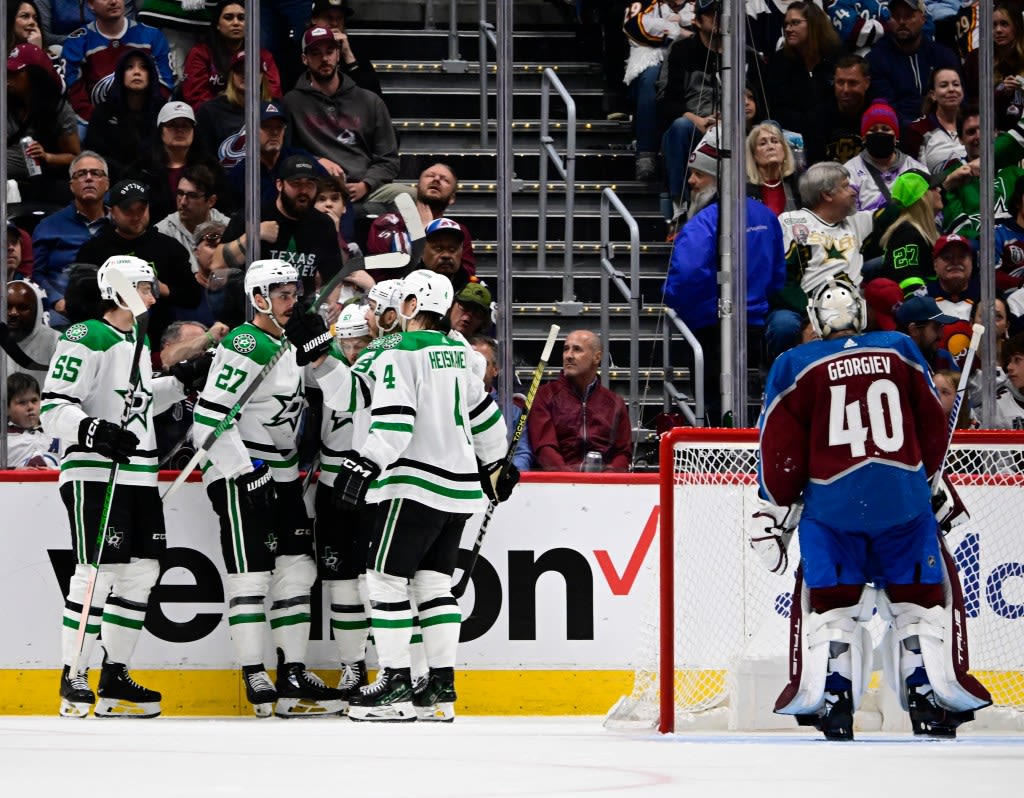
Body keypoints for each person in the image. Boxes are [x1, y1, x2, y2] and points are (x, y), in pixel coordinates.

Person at [759, 277, 991, 740]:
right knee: (917, 606)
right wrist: (927, 481)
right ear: (861, 313)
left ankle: (836, 701)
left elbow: (779, 451)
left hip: (832, 507)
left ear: (817, 319)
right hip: (902, 503)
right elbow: (931, 423)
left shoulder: (794, 363)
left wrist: (775, 506)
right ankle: (927, 699)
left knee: (834, 609)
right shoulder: (900, 348)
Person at [298, 268, 513, 721]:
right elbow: (483, 413)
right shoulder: (459, 351)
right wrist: (496, 465)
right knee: (435, 586)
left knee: (384, 580)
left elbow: (395, 418)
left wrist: (367, 462)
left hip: (411, 483)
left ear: (412, 306)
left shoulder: (401, 350)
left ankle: (394, 682)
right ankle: (439, 686)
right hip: (457, 490)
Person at [40, 255, 192, 718]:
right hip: (97, 471)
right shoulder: (87, 336)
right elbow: (53, 406)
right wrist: (94, 432)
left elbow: (139, 402)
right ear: (121, 288)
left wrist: (181, 382)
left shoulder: (134, 340)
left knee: (143, 572)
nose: (153, 293)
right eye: (146, 285)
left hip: (138, 473)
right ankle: (74, 675)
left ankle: (114, 675)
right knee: (96, 572)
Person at [193, 258, 344, 717]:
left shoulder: (289, 344)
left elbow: (342, 395)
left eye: (294, 293)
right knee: (252, 576)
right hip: (243, 474)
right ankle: (254, 672)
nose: (292, 301)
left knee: (298, 572)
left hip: (283, 475)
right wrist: (244, 469)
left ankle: (293, 670)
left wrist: (320, 347)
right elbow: (208, 419)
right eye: (282, 294)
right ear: (258, 299)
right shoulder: (245, 341)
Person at [666, 132, 786, 425]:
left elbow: (685, 276)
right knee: (750, 403)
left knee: (713, 408)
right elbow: (776, 278)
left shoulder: (704, 222)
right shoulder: (765, 216)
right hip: (754, 326)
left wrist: (682, 306)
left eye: (698, 175)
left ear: (718, 178)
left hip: (710, 327)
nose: (691, 182)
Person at [767, 162, 879, 361]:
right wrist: (814, 316)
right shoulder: (792, 221)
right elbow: (782, 280)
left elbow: (894, 215)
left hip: (850, 306)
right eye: (845, 186)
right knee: (783, 325)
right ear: (827, 194)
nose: (853, 191)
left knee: (878, 310)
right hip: (802, 308)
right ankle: (778, 382)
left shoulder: (855, 221)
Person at [77, 179, 201, 349]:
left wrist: (160, 288)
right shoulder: (94, 250)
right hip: (107, 334)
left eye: (141, 210)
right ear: (111, 211)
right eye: (128, 211)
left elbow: (193, 297)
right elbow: (78, 301)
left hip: (160, 335)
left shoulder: (169, 247)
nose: (136, 217)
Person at [283, 25, 401, 205]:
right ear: (304, 59)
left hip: (365, 187)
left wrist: (366, 185)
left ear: (338, 54)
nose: (324, 58)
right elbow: (285, 152)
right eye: (315, 53)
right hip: (316, 189)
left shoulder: (369, 100)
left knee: (408, 197)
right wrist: (315, 161)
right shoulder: (292, 102)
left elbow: (388, 159)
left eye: (329, 51)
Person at [214, 153, 343, 297]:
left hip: (301, 311)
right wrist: (254, 234)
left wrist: (328, 305)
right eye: (296, 183)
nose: (304, 191)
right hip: (256, 310)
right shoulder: (254, 216)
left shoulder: (323, 225)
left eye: (310, 184)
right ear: (279, 185)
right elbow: (217, 265)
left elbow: (333, 278)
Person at [528, 329, 632, 471]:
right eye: (566, 349)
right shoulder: (544, 395)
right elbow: (545, 448)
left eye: (577, 350)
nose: (569, 356)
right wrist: (573, 482)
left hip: (604, 486)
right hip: (557, 484)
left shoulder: (615, 403)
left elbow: (623, 453)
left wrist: (606, 480)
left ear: (597, 357)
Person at [61, 0, 174, 127]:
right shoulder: (77, 41)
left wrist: (144, 120)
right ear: (90, 4)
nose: (113, 1)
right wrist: (98, 122)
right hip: (95, 122)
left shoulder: (152, 36)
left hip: (147, 121)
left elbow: (165, 86)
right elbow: (74, 92)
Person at [31, 151, 111, 328]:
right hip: (64, 309)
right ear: (71, 185)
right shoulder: (48, 226)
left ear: (107, 184)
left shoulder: (119, 225)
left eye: (95, 173)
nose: (88, 178)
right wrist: (56, 300)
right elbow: (36, 273)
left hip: (111, 307)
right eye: (81, 174)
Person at [765, 1, 841, 170]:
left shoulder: (836, 57)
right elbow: (777, 108)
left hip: (833, 136)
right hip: (794, 140)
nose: (788, 29)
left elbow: (840, 101)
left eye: (795, 23)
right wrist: (808, 123)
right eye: (786, 24)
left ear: (813, 24)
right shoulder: (779, 62)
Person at [130, 100, 232, 224]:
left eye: (185, 125)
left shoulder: (212, 168)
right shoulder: (142, 170)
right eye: (172, 125)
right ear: (160, 131)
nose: (179, 130)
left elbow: (225, 207)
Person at [365, 163, 477, 276]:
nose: (436, 179)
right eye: (430, 176)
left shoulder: (458, 231)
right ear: (417, 188)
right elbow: (379, 273)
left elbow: (466, 276)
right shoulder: (387, 223)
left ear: (452, 198)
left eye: (445, 180)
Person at [865, 0, 960, 131]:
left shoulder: (943, 55)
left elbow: (959, 101)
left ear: (923, 19)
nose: (902, 22)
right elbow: (886, 108)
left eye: (909, 16)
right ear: (889, 20)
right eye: (896, 16)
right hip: (900, 134)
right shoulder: (876, 59)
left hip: (944, 130)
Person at [621, 1, 689, 181]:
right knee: (651, 80)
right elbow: (634, 27)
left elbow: (710, 28)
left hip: (688, 58)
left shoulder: (697, 4)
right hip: (652, 59)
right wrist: (678, 31)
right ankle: (646, 155)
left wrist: (680, 20)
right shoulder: (645, 2)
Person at [6, 43, 80, 204]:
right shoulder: (6, 102)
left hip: (37, 183)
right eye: (7, 71)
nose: (8, 76)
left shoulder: (59, 109)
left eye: (16, 72)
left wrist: (48, 157)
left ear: (35, 75)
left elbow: (75, 157)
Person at [83, 49, 166, 184]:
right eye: (129, 67)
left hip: (153, 182)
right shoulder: (104, 111)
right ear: (121, 74)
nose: (137, 72)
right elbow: (94, 153)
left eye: (143, 67)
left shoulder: (161, 110)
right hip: (112, 182)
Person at [180, 2, 281, 111]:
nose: (236, 23)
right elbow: (196, 98)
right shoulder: (200, 53)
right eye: (228, 18)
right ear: (217, 24)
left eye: (242, 18)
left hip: (256, 117)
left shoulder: (262, 56)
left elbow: (273, 93)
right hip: (213, 117)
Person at [225, 100, 324, 208]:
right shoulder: (242, 173)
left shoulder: (299, 157)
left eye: (279, 127)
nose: (275, 132)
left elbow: (328, 187)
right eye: (267, 127)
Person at [194, 49, 275, 168]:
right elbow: (203, 160)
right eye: (240, 71)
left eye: (252, 69)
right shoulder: (210, 111)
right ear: (232, 76)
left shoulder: (275, 111)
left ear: (262, 75)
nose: (246, 74)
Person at [843, 99, 927, 211]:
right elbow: (848, 216)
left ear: (896, 138)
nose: (879, 133)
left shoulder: (915, 169)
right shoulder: (849, 171)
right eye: (873, 130)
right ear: (863, 138)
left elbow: (930, 211)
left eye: (886, 129)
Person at [470, 334, 534, 472]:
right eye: (468, 362)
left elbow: (521, 454)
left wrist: (507, 477)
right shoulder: (446, 405)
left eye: (482, 363)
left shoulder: (512, 412)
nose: (474, 368)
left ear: (495, 369)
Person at [876, 169, 944, 297]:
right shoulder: (906, 234)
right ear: (922, 197)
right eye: (934, 187)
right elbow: (910, 286)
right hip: (920, 311)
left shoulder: (931, 229)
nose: (940, 189)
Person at [155, 165, 231, 274]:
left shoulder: (228, 229)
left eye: (192, 196)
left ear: (211, 201)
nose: (183, 202)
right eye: (180, 194)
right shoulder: (161, 233)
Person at [963, 2, 1024, 133]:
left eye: (1004, 24)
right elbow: (968, 105)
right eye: (993, 25)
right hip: (988, 131)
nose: (998, 30)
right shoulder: (976, 59)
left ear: (1017, 27)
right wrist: (1000, 93)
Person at [308, 0, 382, 98]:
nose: (334, 23)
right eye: (328, 17)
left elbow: (373, 96)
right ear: (314, 19)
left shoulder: (354, 49)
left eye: (340, 18)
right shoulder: (302, 48)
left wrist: (348, 56)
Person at [901, 67, 967, 174]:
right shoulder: (917, 130)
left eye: (956, 84)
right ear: (933, 95)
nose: (951, 89)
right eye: (944, 85)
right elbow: (913, 177)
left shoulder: (974, 124)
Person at [819, 54, 873, 166]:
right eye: (840, 82)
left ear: (866, 83)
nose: (845, 89)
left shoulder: (880, 118)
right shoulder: (818, 118)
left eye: (853, 83)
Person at [4, 279, 59, 378]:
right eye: (7, 306)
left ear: (37, 310)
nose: (13, 313)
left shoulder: (56, 341)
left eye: (22, 307)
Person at [5, 372, 60, 469]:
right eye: (22, 402)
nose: (30, 407)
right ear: (7, 409)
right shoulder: (3, 440)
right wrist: (13, 470)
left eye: (34, 400)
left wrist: (55, 470)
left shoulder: (58, 431)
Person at [745, 123, 802, 216]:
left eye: (775, 141)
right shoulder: (743, 190)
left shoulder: (799, 181)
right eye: (763, 143)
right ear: (753, 155)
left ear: (784, 150)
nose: (771, 147)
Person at [894, 293, 960, 372]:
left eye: (941, 327)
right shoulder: (895, 362)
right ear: (914, 330)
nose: (941, 335)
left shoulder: (944, 359)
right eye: (936, 327)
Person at [927, 233, 979, 322]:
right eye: (947, 257)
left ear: (971, 262)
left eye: (961, 256)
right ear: (935, 264)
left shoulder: (985, 297)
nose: (955, 262)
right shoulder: (924, 297)